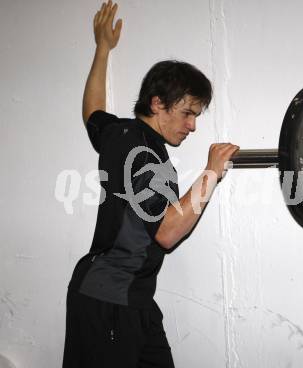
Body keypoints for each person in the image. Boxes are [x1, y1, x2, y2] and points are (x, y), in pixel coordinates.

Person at [62, 1, 239, 367]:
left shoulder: (121, 133)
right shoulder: (141, 154)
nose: (192, 126)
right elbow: (167, 233)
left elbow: (92, 112)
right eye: (187, 113)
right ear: (158, 104)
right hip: (110, 301)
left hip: (130, 299)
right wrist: (211, 172)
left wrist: (102, 48)